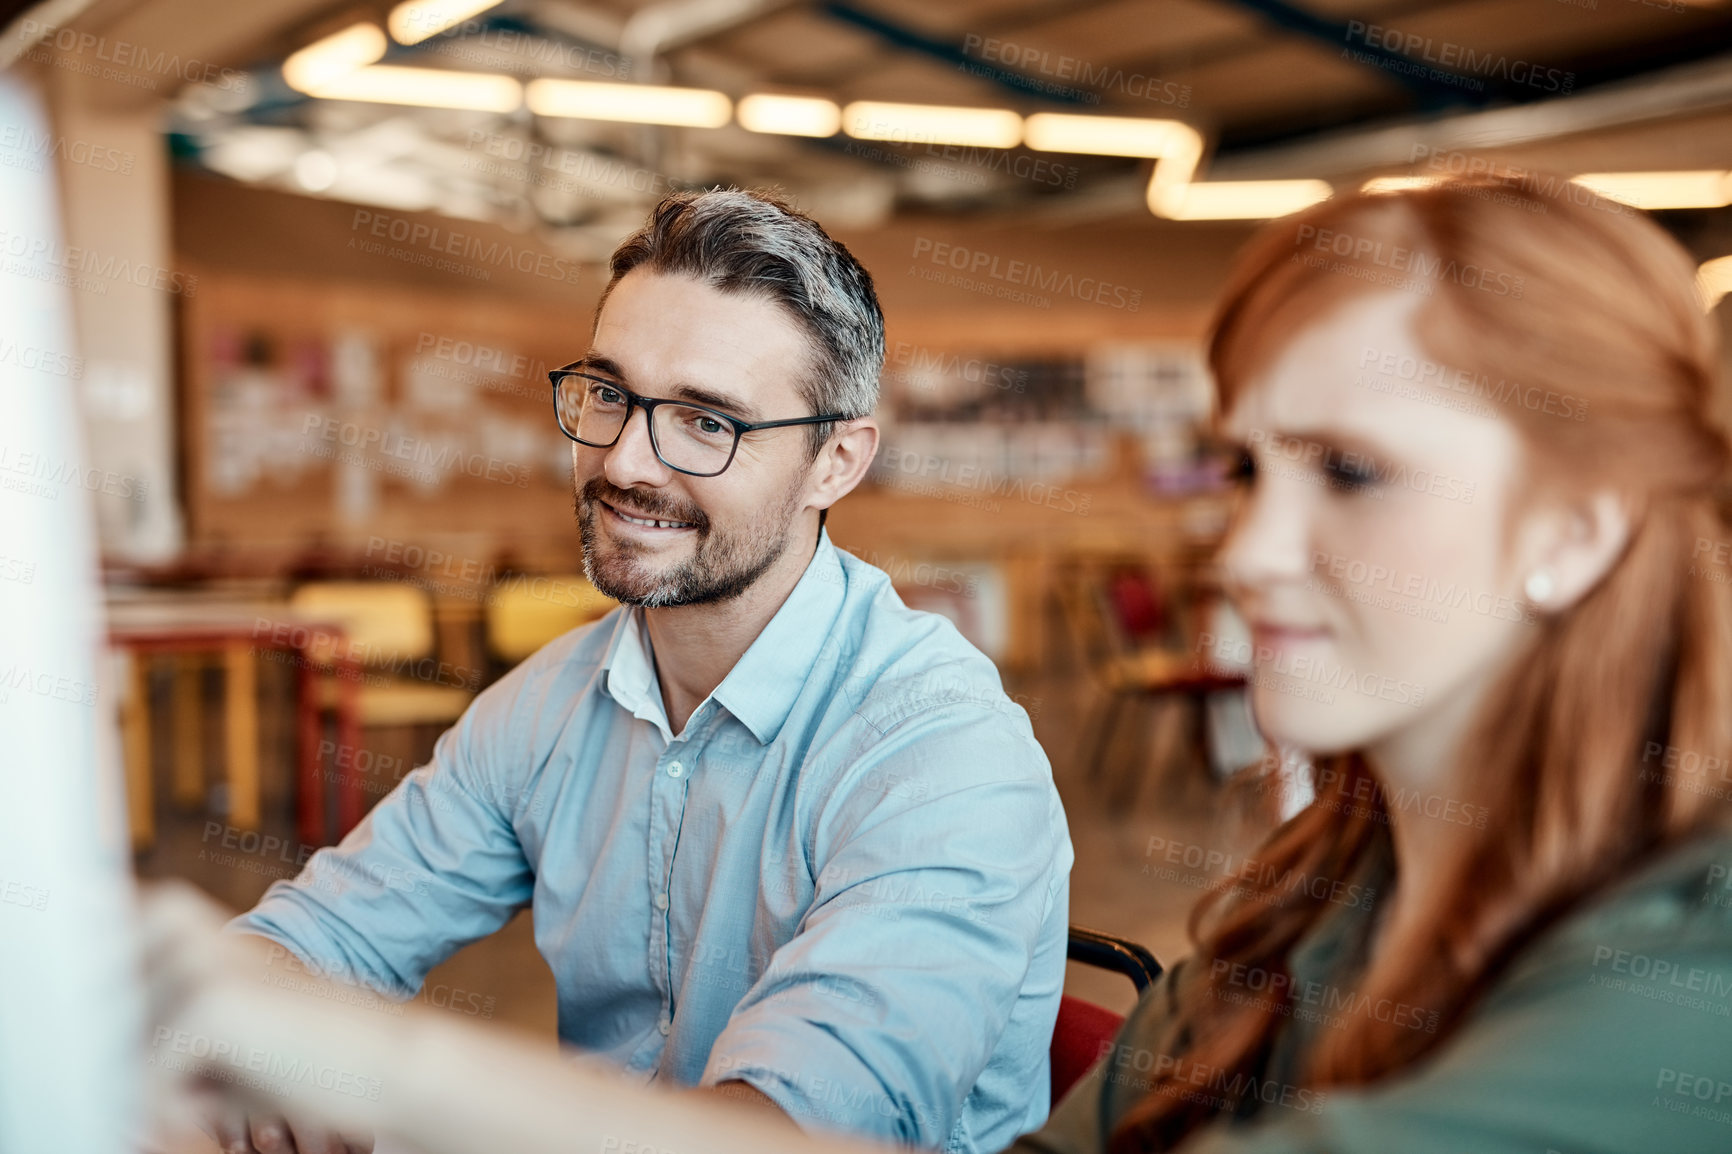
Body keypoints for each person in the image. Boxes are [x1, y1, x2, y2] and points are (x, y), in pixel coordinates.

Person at [144, 175, 1732, 1154]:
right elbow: (321, 932)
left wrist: (360, 1063)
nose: (1242, 555)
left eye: (1355, 473)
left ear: (841, 459)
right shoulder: (1315, 892)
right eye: (1248, 470)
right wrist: (256, 1020)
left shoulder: (1689, 987)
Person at [206, 188, 1074, 1154]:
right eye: (610, 395)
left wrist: (404, 1089)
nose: (624, 463)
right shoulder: (549, 705)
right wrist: (247, 1044)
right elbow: (314, 939)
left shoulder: (942, 756)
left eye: (708, 421)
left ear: (835, 462)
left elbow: (784, 1138)